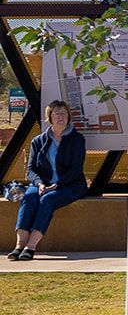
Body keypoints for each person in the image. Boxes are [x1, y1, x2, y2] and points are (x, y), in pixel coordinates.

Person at [9, 101, 87, 260]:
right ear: (49, 117)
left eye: (64, 113)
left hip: (69, 185)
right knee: (29, 197)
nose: (61, 117)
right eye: (57, 113)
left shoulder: (77, 139)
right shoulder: (38, 141)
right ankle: (19, 245)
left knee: (48, 200)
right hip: (41, 184)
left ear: (69, 117)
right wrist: (40, 184)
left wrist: (56, 185)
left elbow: (76, 169)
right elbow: (30, 169)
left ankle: (30, 247)